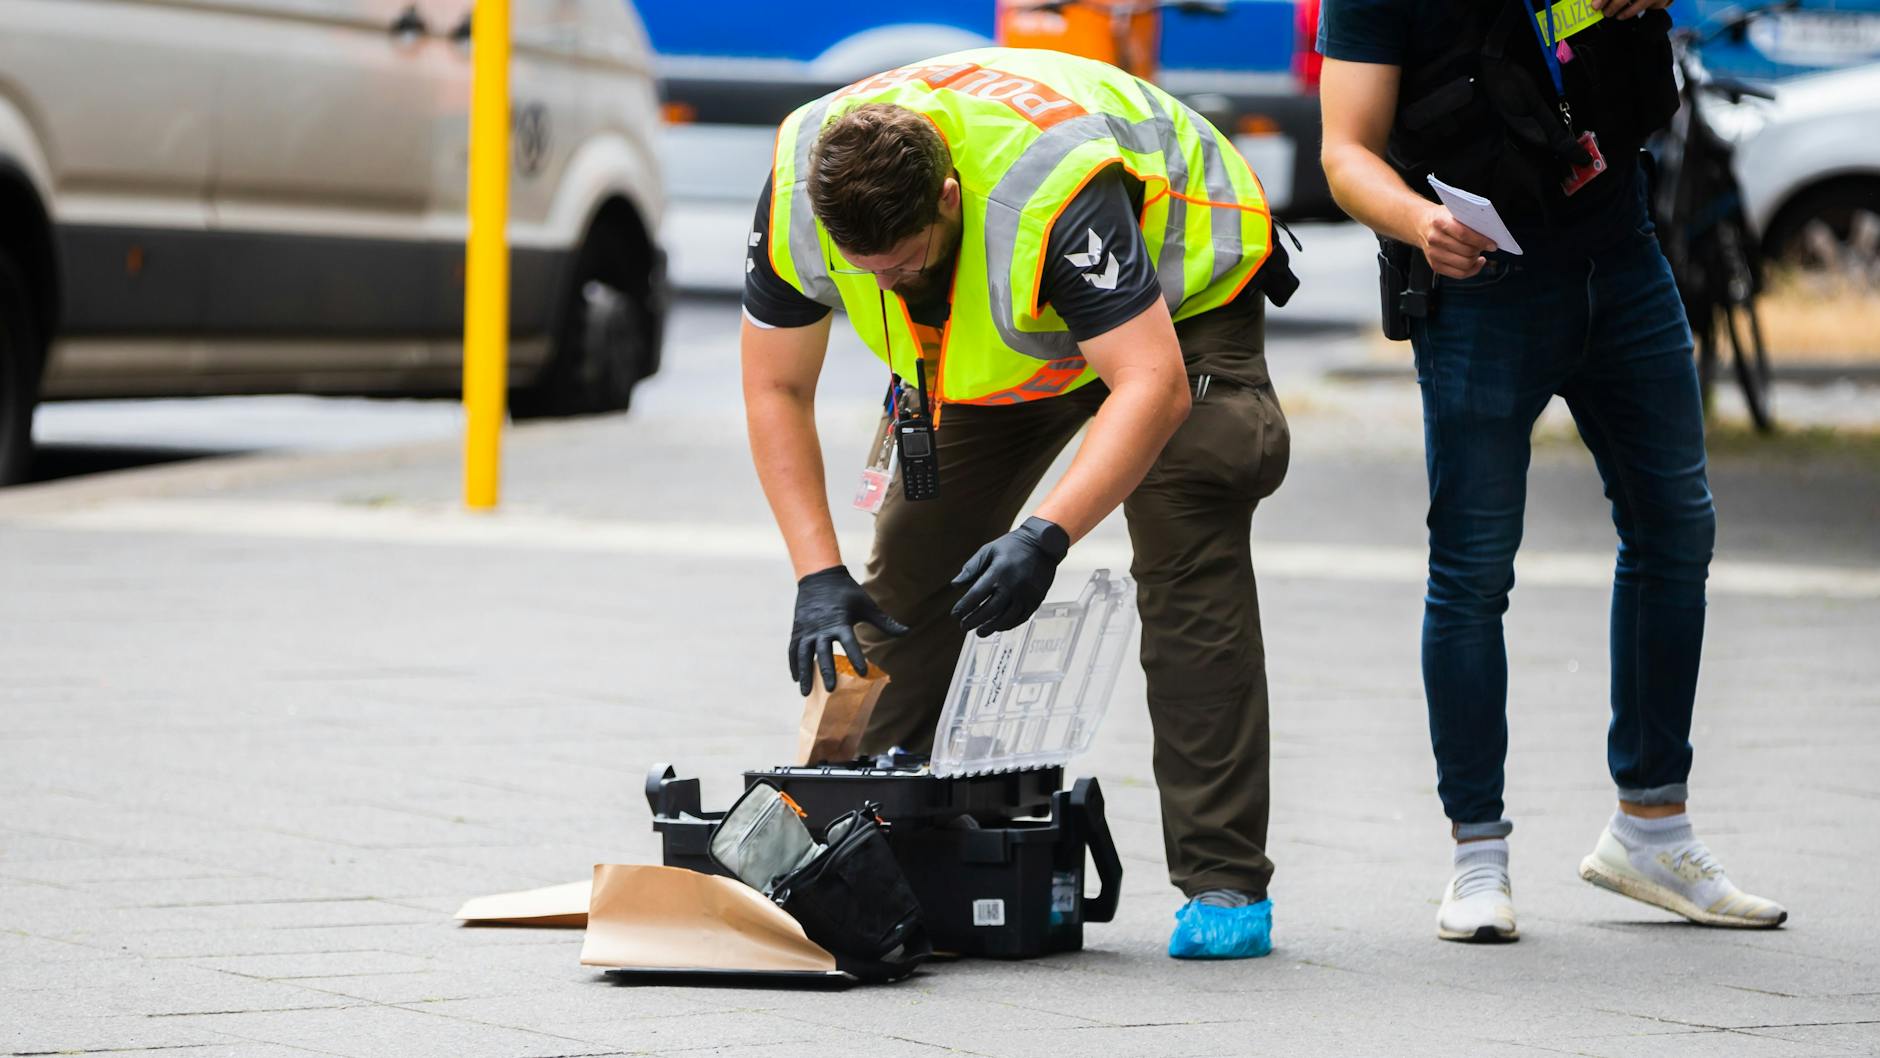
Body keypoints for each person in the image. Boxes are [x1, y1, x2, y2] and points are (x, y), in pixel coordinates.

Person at [741, 47, 1299, 959]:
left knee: (1184, 534)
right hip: (1003, 345)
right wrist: (816, 573)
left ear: (948, 200)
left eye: (903, 263)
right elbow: (774, 391)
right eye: (864, 270)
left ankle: (1223, 881)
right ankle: (855, 844)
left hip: (1181, 311)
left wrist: (1047, 534)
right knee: (913, 568)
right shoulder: (800, 186)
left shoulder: (1048, 187)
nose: (881, 284)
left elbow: (1148, 384)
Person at [1318, 0, 1787, 941]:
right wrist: (1417, 222)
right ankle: (1477, 858)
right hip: (1480, 282)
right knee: (1473, 567)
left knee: (1674, 528)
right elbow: (1344, 150)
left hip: (1621, 255)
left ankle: (1653, 829)